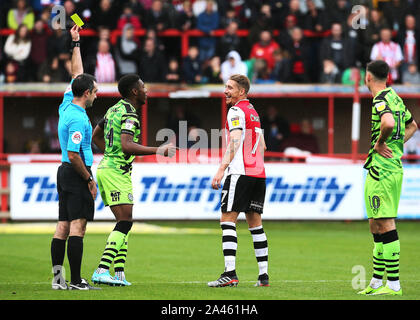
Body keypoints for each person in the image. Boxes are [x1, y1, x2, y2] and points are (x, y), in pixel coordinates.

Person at [91, 74, 176, 286]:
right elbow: (128, 145)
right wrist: (159, 150)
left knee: (124, 222)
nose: (147, 91)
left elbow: (96, 136)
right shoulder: (130, 114)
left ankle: (119, 273)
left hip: (111, 169)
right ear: (135, 92)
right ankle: (102, 269)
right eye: (143, 87)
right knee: (126, 221)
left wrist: (111, 154)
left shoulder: (113, 109)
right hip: (115, 172)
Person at [358, 60, 418, 296]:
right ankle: (375, 281)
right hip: (384, 167)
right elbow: (412, 125)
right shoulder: (395, 97)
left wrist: (382, 142)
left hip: (383, 169)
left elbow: (389, 122)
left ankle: (393, 284)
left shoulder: (381, 99)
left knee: (385, 222)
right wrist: (395, 145)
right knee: (375, 222)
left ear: (368, 77)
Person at [208, 74, 269, 288]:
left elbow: (234, 141)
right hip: (258, 174)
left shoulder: (235, 110)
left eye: (230, 88)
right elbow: (262, 146)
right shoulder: (253, 112)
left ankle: (230, 273)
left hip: (240, 173)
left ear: (241, 91)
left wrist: (221, 169)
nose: (226, 91)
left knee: (227, 219)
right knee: (255, 224)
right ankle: (263, 277)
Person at [51, 24, 99, 291]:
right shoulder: (78, 119)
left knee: (62, 227)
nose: (97, 93)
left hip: (64, 171)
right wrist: (89, 179)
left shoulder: (67, 102)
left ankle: (59, 281)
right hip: (75, 171)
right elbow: (73, 153)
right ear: (87, 93)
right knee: (78, 228)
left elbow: (76, 73)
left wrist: (76, 43)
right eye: (95, 90)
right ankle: (78, 280)